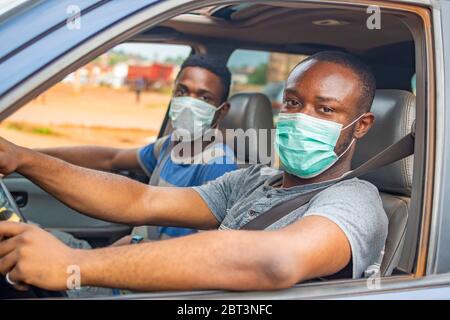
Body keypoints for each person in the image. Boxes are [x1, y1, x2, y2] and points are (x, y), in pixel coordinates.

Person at [0, 51, 388, 294]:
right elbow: (141, 200)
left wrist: (73, 266)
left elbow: (275, 260)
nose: (301, 117)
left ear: (362, 124)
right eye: (292, 102)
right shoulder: (253, 180)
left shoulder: (354, 200)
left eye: (325, 110)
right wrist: (26, 159)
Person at [38, 54, 238, 243]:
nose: (188, 104)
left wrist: (134, 247)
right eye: (182, 92)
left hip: (154, 272)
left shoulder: (218, 164)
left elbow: (209, 253)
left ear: (222, 110)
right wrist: (35, 157)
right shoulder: (170, 145)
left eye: (204, 98)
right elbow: (112, 158)